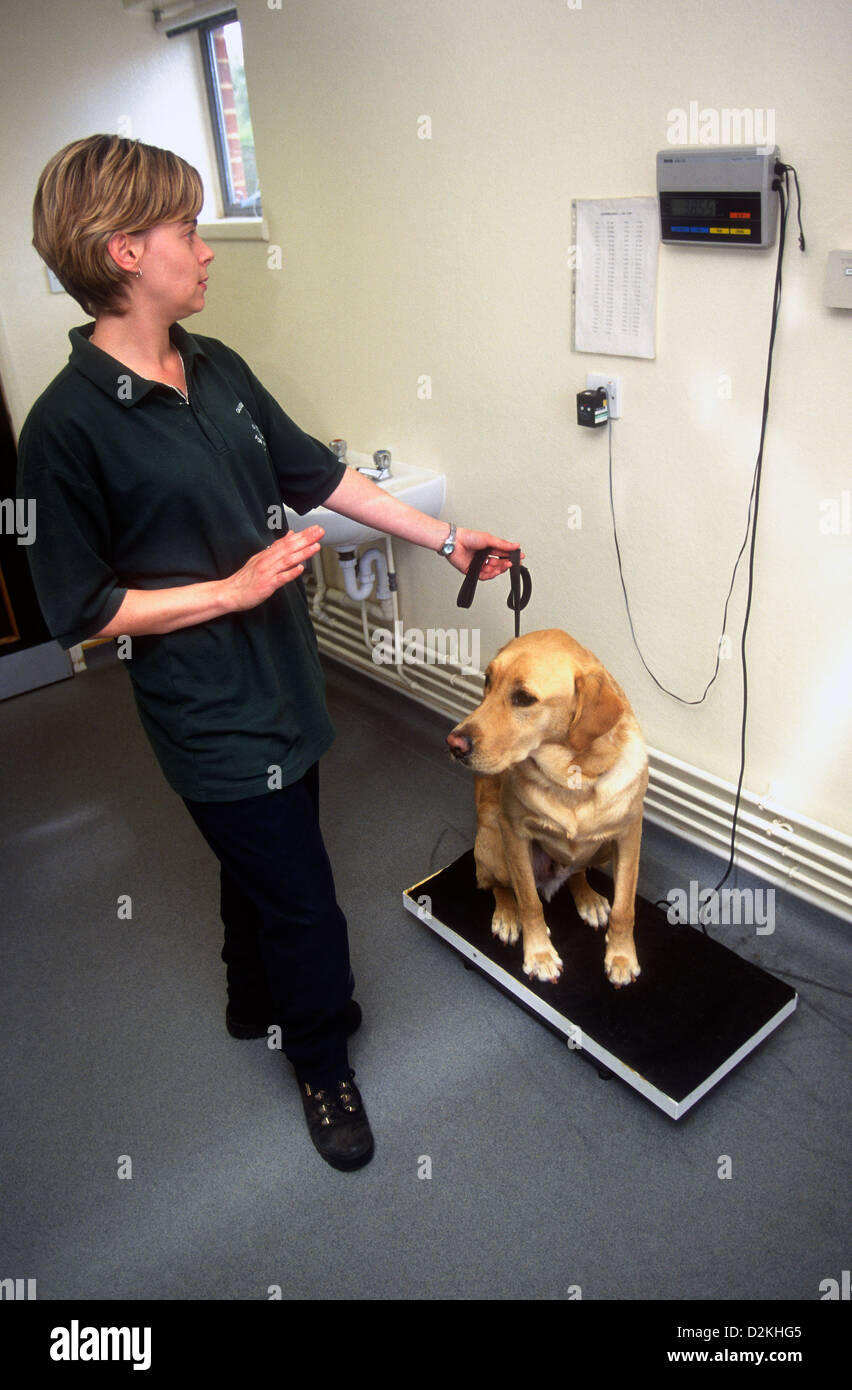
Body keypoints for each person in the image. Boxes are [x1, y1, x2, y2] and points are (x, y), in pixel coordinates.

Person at [16, 134, 522, 1172]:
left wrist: (441, 534)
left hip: (283, 675)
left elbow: (317, 476)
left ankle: (253, 999)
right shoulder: (64, 428)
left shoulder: (217, 367)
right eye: (188, 231)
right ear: (122, 251)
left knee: (267, 857)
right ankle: (321, 1055)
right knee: (303, 893)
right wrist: (232, 589)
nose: (206, 251)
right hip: (206, 704)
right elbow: (82, 608)